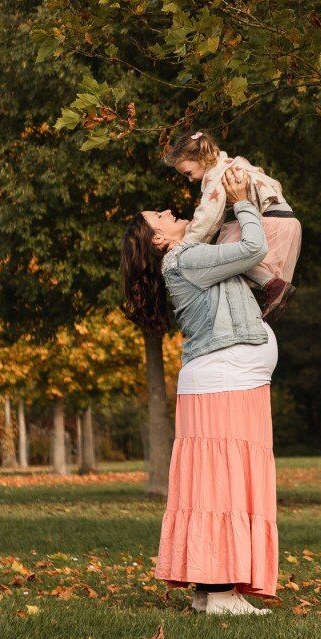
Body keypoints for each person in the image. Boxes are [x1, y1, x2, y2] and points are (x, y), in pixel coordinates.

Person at [122, 165, 278, 615]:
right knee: (224, 484)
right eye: (161, 217)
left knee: (213, 483)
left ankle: (209, 590)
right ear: (158, 240)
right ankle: (223, 593)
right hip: (224, 380)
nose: (172, 211)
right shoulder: (185, 259)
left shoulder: (188, 257)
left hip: (222, 380)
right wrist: (242, 200)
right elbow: (253, 247)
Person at [165, 130, 302, 318]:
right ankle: (267, 290)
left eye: (188, 173)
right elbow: (271, 183)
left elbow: (208, 218)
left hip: (272, 220)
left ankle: (273, 286)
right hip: (285, 218)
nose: (189, 179)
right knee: (237, 256)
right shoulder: (232, 164)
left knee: (228, 254)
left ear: (198, 157)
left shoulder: (217, 177)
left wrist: (187, 246)